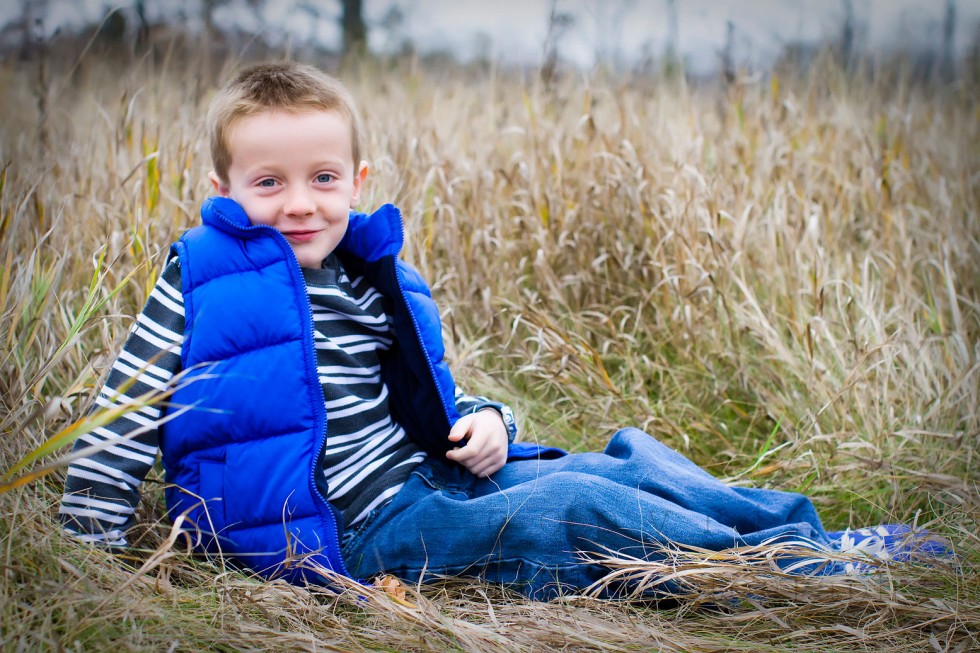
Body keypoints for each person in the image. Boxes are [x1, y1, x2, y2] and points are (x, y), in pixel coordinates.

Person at [59, 61, 942, 601]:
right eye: (268, 182)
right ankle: (789, 572)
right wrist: (83, 560)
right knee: (567, 508)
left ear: (357, 177)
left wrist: (491, 425)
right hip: (344, 537)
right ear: (225, 185)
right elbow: (119, 418)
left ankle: (810, 534)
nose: (299, 203)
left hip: (427, 481)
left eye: (323, 177)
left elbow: (420, 402)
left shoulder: (373, 277)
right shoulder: (203, 279)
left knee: (615, 457)